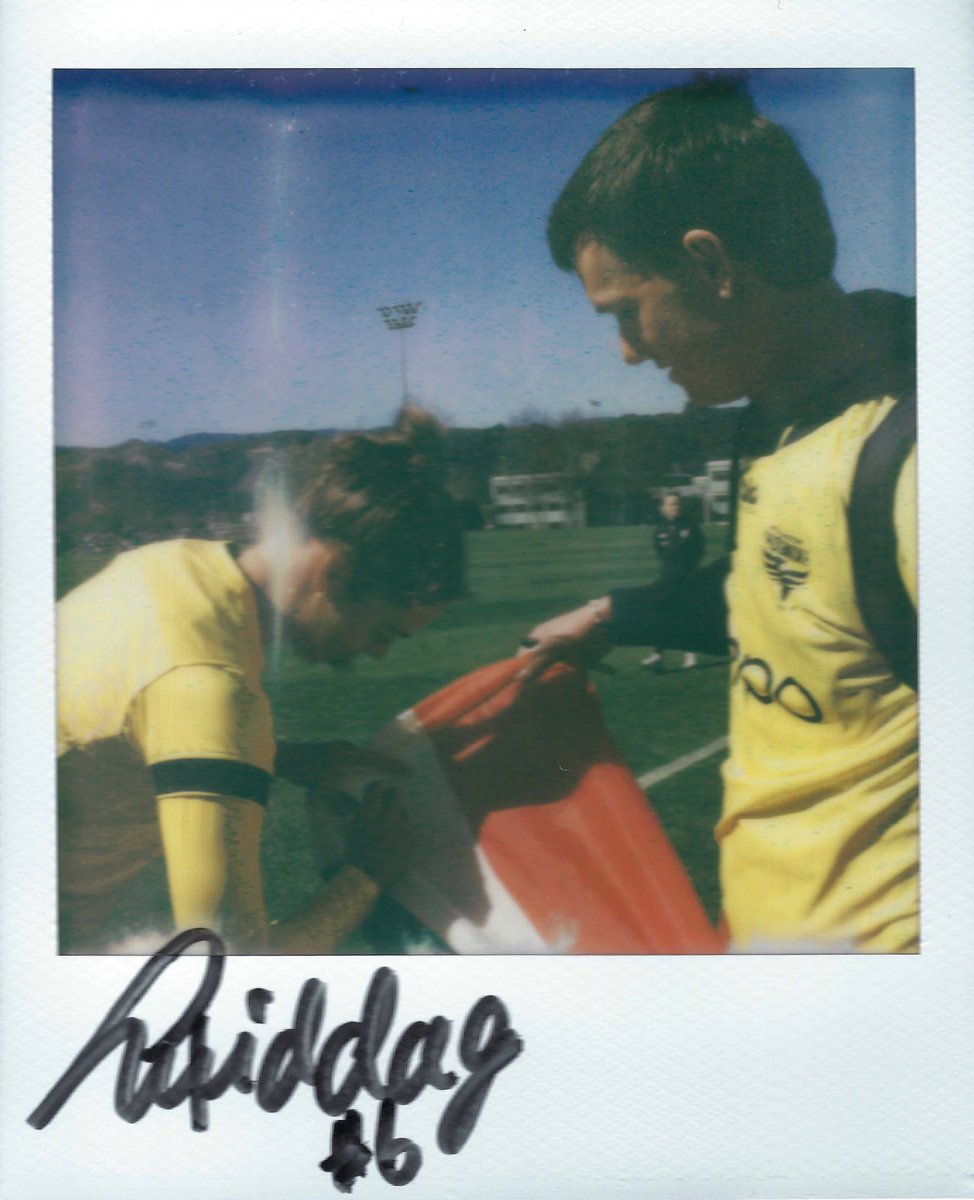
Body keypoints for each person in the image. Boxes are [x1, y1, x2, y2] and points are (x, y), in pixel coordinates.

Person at [520, 76, 917, 952]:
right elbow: (792, 601)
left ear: (712, 265)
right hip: (768, 947)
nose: (626, 354)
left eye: (627, 313)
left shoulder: (919, 452)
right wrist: (616, 615)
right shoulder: (773, 414)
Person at [57, 407, 465, 953]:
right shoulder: (206, 688)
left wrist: (282, 756)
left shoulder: (167, 563)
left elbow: (113, 721)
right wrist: (368, 873)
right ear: (332, 573)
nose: (379, 651)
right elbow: (229, 963)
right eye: (385, 629)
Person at [640, 491, 704, 671]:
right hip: (666, 576)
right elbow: (659, 551)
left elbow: (699, 549)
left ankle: (690, 655)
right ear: (663, 508)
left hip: (687, 576)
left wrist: (689, 569)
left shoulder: (690, 526)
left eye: (677, 504)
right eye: (671, 504)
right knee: (661, 614)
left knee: (685, 615)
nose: (675, 507)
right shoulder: (659, 528)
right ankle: (657, 655)